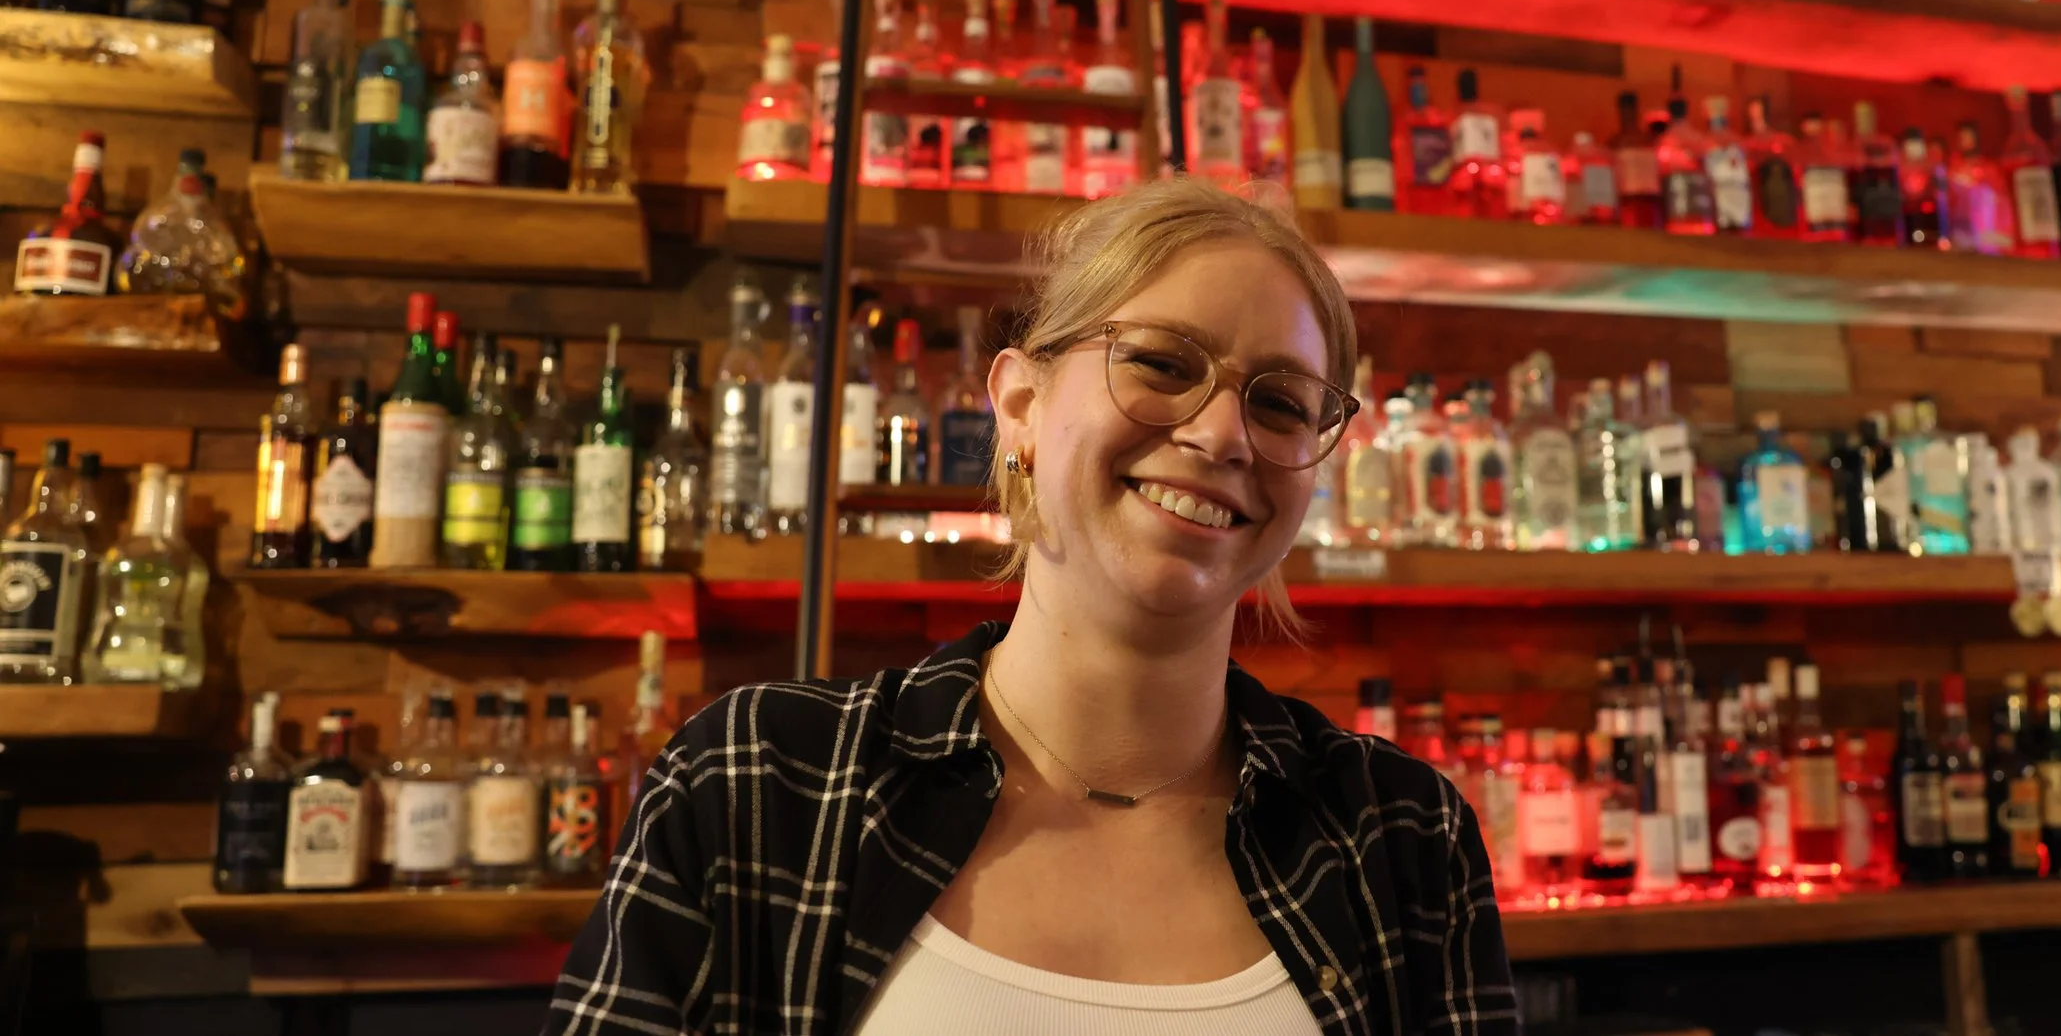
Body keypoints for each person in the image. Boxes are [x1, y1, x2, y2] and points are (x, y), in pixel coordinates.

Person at [546, 179, 1516, 1035]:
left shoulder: (1400, 834)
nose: (1224, 432)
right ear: (1018, 404)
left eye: (1281, 403)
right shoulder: (757, 782)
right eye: (1163, 363)